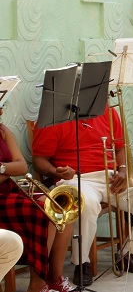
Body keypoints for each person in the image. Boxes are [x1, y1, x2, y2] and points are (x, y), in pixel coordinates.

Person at [32, 106, 133, 287]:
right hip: (75, 178)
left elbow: (120, 148)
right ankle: (81, 263)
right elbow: (38, 160)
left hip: (110, 176)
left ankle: (129, 255)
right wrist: (54, 171)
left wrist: (122, 170)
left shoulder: (108, 111)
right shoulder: (52, 114)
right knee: (85, 203)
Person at [0, 107, 73, 292]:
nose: (1, 112)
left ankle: (54, 279)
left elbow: (21, 166)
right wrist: (8, 169)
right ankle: (37, 285)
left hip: (8, 190)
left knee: (60, 208)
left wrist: (1, 169)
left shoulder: (2, 130)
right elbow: (14, 167)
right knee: (44, 211)